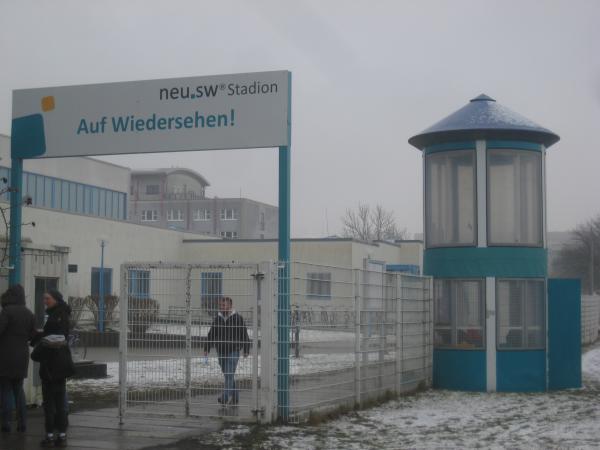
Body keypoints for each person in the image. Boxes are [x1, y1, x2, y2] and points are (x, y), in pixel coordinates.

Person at [30, 289, 75, 448]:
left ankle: (50, 436)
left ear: (56, 299)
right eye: (44, 298)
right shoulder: (61, 313)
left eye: (47, 298)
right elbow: (57, 335)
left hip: (50, 367)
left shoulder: (57, 316)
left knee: (50, 404)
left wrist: (40, 342)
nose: (45, 301)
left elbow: (52, 338)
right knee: (60, 401)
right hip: (62, 366)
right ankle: (61, 435)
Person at [0, 284, 36, 433]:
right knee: (18, 390)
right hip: (22, 356)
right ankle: (22, 424)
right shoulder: (29, 314)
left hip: (5, 356)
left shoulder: (7, 311)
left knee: (6, 390)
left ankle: (6, 423)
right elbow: (32, 336)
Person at [203, 297, 250, 405]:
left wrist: (246, 349)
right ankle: (235, 396)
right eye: (220, 305)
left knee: (229, 373)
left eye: (224, 305)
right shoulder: (217, 318)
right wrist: (207, 348)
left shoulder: (238, 318)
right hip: (221, 351)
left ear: (230, 306)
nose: (221, 307)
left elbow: (244, 335)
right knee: (228, 375)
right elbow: (211, 335)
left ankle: (224, 397)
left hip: (234, 350)